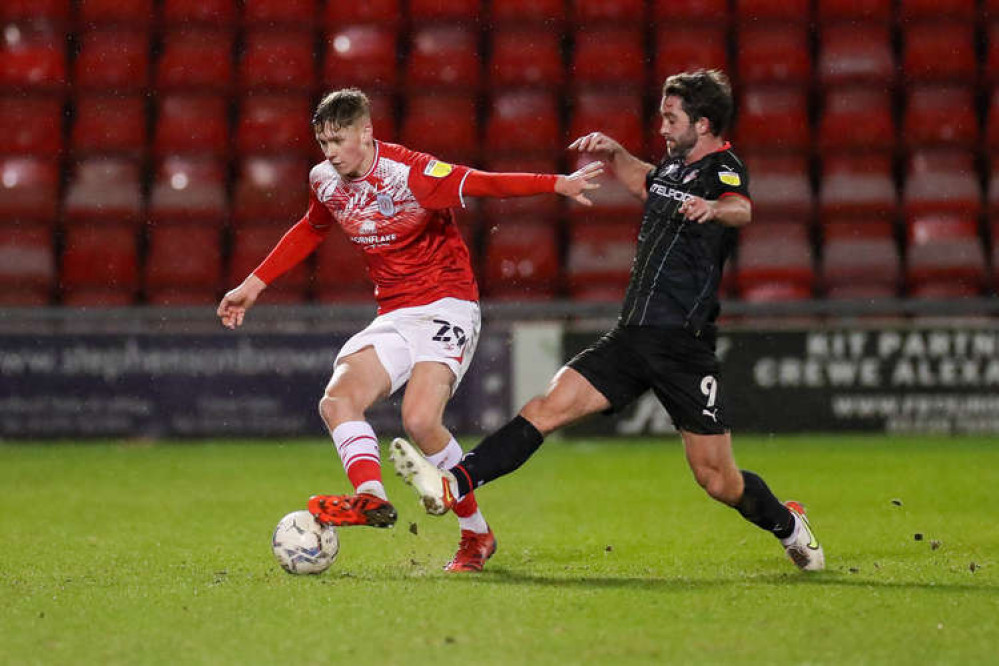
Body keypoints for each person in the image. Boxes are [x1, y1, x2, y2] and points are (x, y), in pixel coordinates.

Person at [391, 69, 825, 572]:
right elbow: (648, 181)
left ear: (704, 123)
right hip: (631, 336)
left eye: (671, 117)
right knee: (547, 406)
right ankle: (454, 483)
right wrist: (616, 153)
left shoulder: (723, 168)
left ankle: (788, 525)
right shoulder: (672, 167)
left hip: (683, 348)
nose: (662, 126)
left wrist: (712, 208)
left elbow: (739, 209)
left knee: (717, 480)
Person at [217, 88, 602, 572]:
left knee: (420, 420)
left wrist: (556, 184)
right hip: (395, 313)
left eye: (338, 140)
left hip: (448, 304)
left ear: (366, 132)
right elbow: (312, 227)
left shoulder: (412, 174)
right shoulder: (324, 180)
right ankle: (369, 497)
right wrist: (254, 284)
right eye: (322, 143)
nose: (330, 152)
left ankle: (475, 535)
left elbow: (485, 184)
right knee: (338, 400)